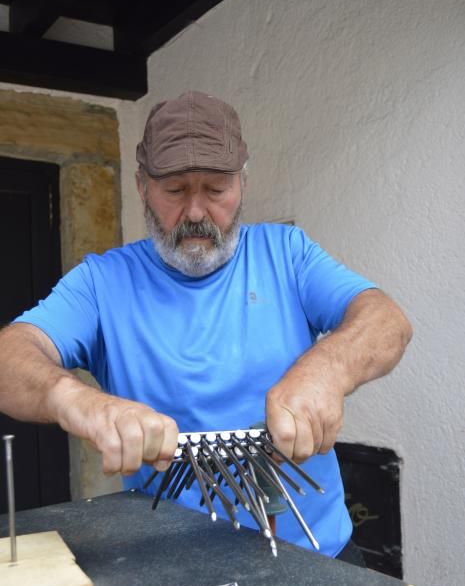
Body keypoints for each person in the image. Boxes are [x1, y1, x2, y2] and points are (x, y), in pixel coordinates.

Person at [0, 91, 412, 561]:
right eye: (174, 190)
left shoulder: (287, 254)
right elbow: (10, 357)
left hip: (321, 557)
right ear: (141, 185)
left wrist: (328, 370)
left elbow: (387, 321)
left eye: (216, 189)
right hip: (174, 568)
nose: (195, 212)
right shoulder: (102, 282)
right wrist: (74, 399)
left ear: (242, 182)